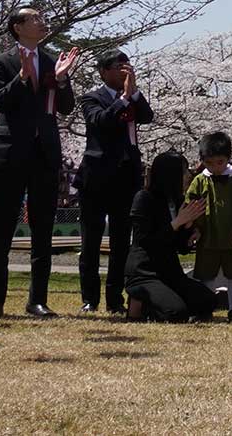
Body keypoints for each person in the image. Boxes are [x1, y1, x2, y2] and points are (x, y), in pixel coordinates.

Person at [0, 7, 80, 319]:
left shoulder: (53, 61)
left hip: (45, 153)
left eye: (41, 18)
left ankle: (37, 300)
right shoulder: (1, 62)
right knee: (2, 229)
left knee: (42, 230)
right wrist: (22, 77)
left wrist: (63, 80)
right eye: (34, 18)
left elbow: (66, 107)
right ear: (17, 27)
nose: (42, 22)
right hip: (11, 152)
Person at [77, 49, 153, 316]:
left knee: (121, 242)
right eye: (118, 66)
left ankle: (115, 298)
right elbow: (100, 121)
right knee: (91, 242)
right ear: (103, 71)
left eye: (127, 65)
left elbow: (147, 116)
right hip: (96, 178)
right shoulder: (91, 98)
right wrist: (121, 100)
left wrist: (132, 94)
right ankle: (89, 298)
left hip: (127, 176)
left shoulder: (132, 97)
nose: (124, 71)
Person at [124, 151, 216, 323]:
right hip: (145, 272)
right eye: (184, 171)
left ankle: (160, 301)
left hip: (170, 273)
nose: (188, 176)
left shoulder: (177, 201)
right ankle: (138, 300)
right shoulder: (144, 199)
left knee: (208, 301)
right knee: (175, 313)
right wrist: (177, 222)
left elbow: (180, 248)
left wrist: (189, 229)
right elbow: (146, 242)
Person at [186, 130, 232, 319]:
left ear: (228, 158)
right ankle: (206, 307)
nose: (215, 168)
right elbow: (190, 205)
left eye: (220, 162)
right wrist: (195, 228)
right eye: (209, 163)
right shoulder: (200, 181)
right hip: (207, 235)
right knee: (206, 272)